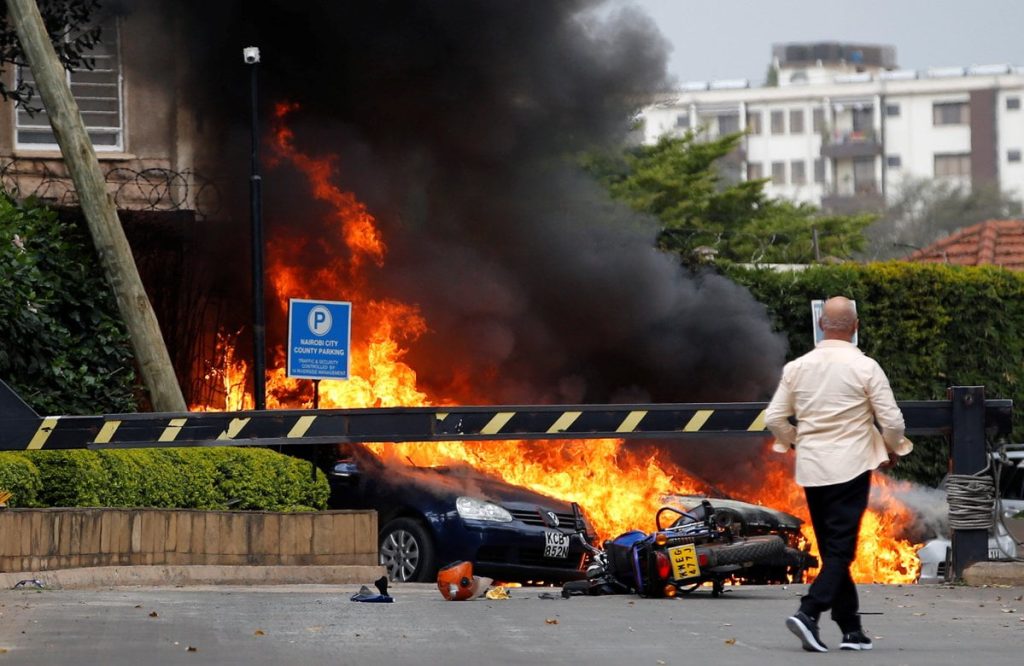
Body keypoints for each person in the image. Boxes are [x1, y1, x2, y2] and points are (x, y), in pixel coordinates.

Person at [765, 296, 912, 653]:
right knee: (841, 552)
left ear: (820, 326)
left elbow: (774, 419)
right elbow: (891, 421)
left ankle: (852, 630)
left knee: (834, 549)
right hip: (852, 466)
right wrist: (895, 447)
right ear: (856, 327)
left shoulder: (797, 367)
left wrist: (798, 441)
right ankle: (809, 611)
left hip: (813, 468)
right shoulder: (866, 367)